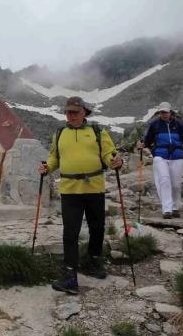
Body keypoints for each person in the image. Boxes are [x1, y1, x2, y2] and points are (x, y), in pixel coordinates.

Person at [38, 96, 122, 295]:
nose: (71, 115)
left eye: (75, 112)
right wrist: (47, 167)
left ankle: (94, 261)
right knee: (70, 233)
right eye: (68, 112)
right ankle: (70, 276)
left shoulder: (98, 132)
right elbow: (54, 157)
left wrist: (115, 161)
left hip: (94, 187)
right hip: (69, 190)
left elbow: (108, 154)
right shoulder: (59, 133)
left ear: (84, 112)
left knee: (97, 227)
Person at [138, 102, 183, 219]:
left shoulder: (178, 124)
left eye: (166, 112)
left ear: (170, 112)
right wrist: (142, 144)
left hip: (176, 156)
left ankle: (175, 207)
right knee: (164, 180)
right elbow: (147, 140)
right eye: (161, 112)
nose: (164, 114)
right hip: (160, 156)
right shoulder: (154, 125)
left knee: (176, 184)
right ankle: (166, 209)